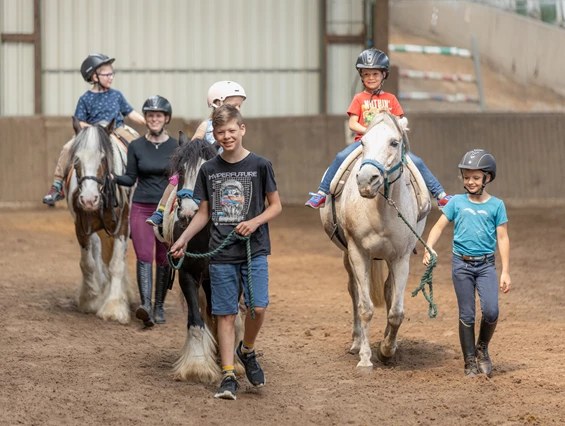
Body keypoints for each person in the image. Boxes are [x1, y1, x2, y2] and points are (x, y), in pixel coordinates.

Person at [170, 104, 282, 400]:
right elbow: (203, 213)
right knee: (225, 314)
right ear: (215, 136)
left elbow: (276, 206)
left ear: (242, 129)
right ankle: (229, 375)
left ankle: (247, 350)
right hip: (220, 254)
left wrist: (254, 222)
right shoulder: (208, 169)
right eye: (221, 133)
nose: (227, 136)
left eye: (232, 130)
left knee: (257, 308)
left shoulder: (260, 165)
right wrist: (183, 239)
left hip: (253, 249)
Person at [305, 48, 452, 209]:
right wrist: (370, 133)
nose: (371, 78)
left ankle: (440, 195)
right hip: (364, 144)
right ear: (361, 77)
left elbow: (398, 124)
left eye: (375, 74)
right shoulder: (359, 98)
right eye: (366, 74)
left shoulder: (391, 99)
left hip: (387, 147)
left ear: (384, 75)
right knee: (341, 157)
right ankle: (322, 193)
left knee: (417, 162)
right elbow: (352, 124)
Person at [422, 149, 511, 377]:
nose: (470, 182)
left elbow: (502, 238)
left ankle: (482, 347)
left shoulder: (497, 206)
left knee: (491, 311)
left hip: (486, 266)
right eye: (467, 177)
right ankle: (469, 360)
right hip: (461, 265)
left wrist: (505, 271)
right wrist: (429, 247)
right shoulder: (456, 202)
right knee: (467, 314)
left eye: (476, 177)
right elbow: (439, 226)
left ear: (487, 178)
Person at [43, 53, 146, 206]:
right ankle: (57, 186)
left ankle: (143, 182)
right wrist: (94, 129)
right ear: (95, 76)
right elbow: (79, 121)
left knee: (138, 144)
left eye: (112, 74)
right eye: (107, 74)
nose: (111, 77)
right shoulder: (85, 98)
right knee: (67, 148)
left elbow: (130, 113)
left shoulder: (117, 95)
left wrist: (146, 121)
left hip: (116, 129)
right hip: (92, 132)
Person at [146, 81, 247, 226]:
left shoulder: (235, 128)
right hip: (204, 169)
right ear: (218, 102)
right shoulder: (206, 125)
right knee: (174, 181)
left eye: (239, 106)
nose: (237, 109)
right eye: (234, 105)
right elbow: (193, 146)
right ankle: (161, 211)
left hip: (226, 168)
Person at [115, 96, 177, 327]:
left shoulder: (176, 146)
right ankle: (146, 306)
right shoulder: (136, 146)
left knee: (163, 258)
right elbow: (131, 178)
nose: (154, 119)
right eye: (150, 116)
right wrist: (111, 178)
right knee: (143, 256)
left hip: (167, 210)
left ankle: (159, 306)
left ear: (166, 119)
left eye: (158, 116)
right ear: (146, 119)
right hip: (141, 207)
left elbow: (180, 177)